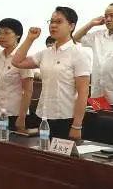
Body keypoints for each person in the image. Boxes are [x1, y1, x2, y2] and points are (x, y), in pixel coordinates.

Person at [12, 7, 91, 141]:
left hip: (66, 118)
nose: (53, 25)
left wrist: (77, 125)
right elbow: (17, 61)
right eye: (51, 21)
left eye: (59, 22)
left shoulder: (79, 53)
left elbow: (83, 93)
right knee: (44, 152)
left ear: (71, 26)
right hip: (44, 116)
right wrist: (30, 39)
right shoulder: (46, 53)